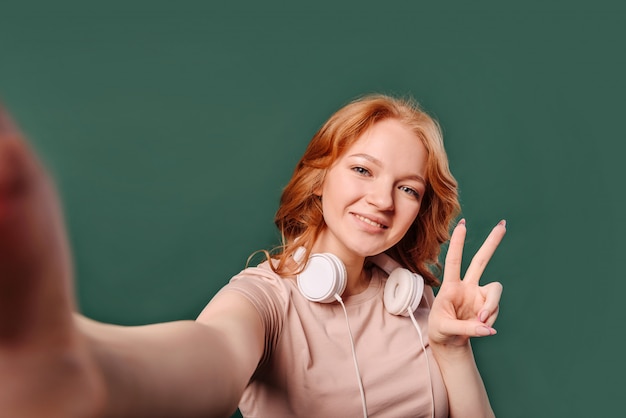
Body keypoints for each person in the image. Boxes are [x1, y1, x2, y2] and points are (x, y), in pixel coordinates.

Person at [0, 94, 505, 418]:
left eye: (409, 189)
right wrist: (82, 366)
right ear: (322, 173)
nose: (383, 201)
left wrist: (451, 348)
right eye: (363, 171)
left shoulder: (416, 304)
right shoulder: (266, 300)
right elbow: (210, 354)